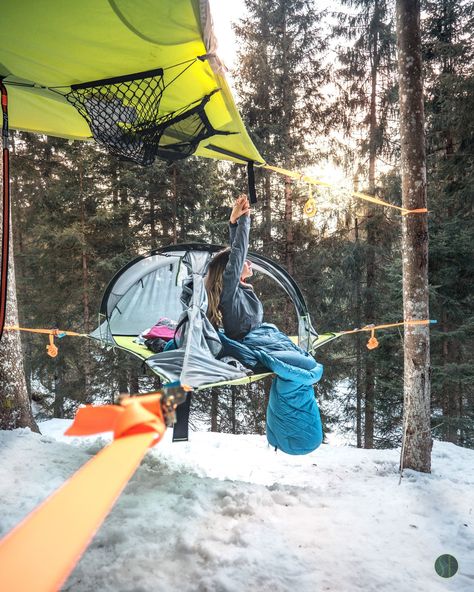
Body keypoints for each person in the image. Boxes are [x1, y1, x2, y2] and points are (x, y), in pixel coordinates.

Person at [205, 195, 319, 373]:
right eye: (244, 261)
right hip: (253, 344)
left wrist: (234, 223)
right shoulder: (229, 291)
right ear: (230, 271)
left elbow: (236, 254)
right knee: (310, 366)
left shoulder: (238, 289)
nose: (248, 263)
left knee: (307, 362)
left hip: (266, 337)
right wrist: (242, 220)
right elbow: (237, 253)